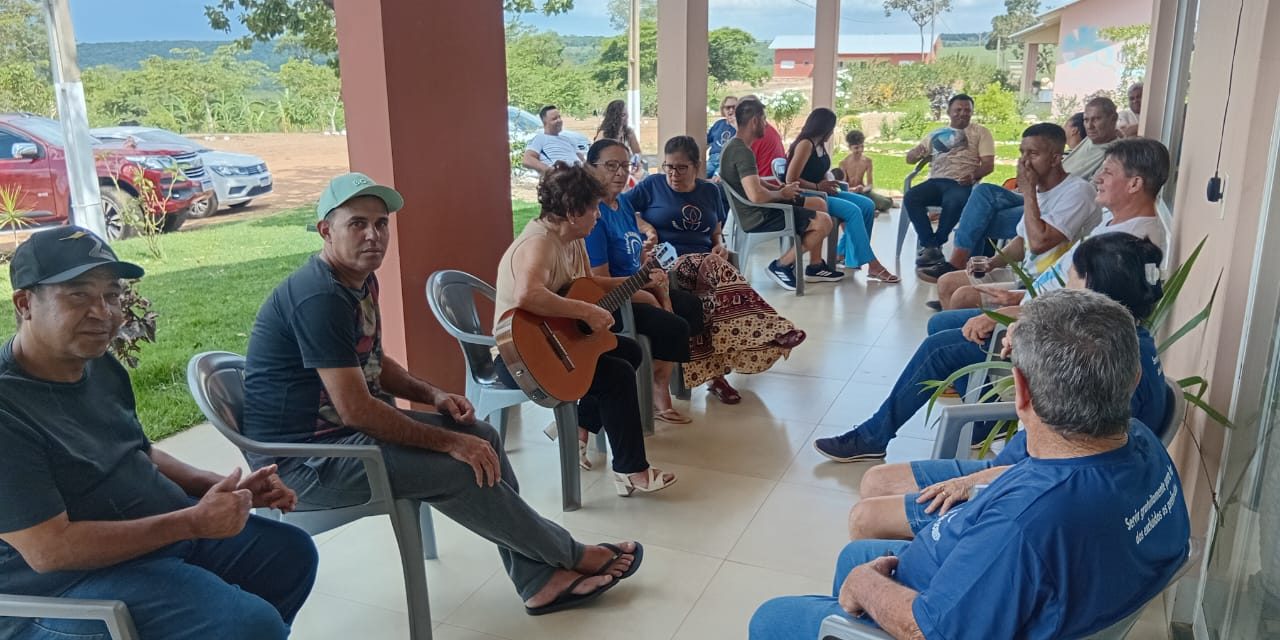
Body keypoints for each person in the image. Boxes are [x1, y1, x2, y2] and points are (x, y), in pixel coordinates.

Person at [243, 172, 648, 616]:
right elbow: (357, 410)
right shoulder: (317, 297)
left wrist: (433, 395)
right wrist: (451, 442)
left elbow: (375, 364)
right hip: (304, 463)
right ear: (326, 231)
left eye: (381, 224)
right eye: (357, 224)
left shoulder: (357, 282)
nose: (373, 235)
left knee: (484, 438)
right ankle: (569, 556)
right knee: (461, 464)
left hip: (339, 437)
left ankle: (539, 581)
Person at [751, 288, 1191, 640]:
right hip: (1002, 587)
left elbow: (930, 630)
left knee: (773, 617)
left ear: (1020, 392)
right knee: (857, 553)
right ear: (1131, 381)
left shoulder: (1024, 527)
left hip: (939, 607)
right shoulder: (1142, 441)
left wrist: (866, 586)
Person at [0, 226, 318, 639]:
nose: (102, 313)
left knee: (289, 555)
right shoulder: (8, 407)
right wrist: (191, 522)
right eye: (77, 294)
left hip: (151, 537)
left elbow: (139, 451)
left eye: (112, 295)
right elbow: (49, 549)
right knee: (248, 624)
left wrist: (215, 488)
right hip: (62, 587)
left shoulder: (97, 364)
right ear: (25, 303)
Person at [815, 137, 1172, 463]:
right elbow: (1068, 287)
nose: (1099, 178)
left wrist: (1008, 312)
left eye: (1108, 173)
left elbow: (1082, 314)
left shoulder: (1133, 243)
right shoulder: (1118, 223)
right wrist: (1014, 294)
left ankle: (875, 436)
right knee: (941, 323)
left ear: (1135, 183)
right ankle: (984, 419)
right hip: (1040, 307)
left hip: (1057, 339)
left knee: (939, 348)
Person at [848, 233, 1170, 542]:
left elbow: (1057, 472)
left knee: (866, 517)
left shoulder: (1102, 365)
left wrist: (970, 484)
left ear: (1092, 293)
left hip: (1018, 488)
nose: (1062, 289)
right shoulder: (1126, 347)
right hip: (1016, 469)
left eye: (1071, 279)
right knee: (875, 480)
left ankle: (916, 566)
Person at [492, 163, 678, 497]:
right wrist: (586, 311)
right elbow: (528, 294)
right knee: (616, 375)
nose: (598, 214)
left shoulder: (571, 238)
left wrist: (639, 280)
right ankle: (631, 470)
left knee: (628, 351)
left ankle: (579, 428)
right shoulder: (539, 243)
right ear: (573, 210)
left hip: (552, 343)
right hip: (519, 357)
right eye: (593, 208)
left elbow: (587, 286)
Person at [630, 136, 808, 405]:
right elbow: (624, 211)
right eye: (668, 167)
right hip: (670, 265)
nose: (673, 174)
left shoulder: (710, 191)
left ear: (696, 166)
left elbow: (716, 232)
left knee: (715, 303)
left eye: (681, 168)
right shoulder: (651, 186)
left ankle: (716, 377)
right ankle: (772, 328)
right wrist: (646, 228)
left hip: (706, 264)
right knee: (714, 268)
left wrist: (720, 245)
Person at [916, 124, 1102, 311]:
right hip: (1024, 274)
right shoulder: (1039, 190)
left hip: (1051, 284)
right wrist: (992, 263)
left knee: (963, 297)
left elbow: (1039, 244)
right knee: (946, 283)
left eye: (1033, 154)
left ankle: (985, 332)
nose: (1024, 162)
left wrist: (1028, 191)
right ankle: (963, 331)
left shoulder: (1078, 192)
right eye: (1022, 153)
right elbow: (1023, 241)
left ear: (1055, 159)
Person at [584, 138, 696, 423]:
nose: (620, 173)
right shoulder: (592, 216)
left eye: (625, 165)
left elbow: (635, 256)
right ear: (590, 168)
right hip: (612, 300)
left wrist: (649, 267)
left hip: (635, 283)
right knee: (672, 324)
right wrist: (648, 287)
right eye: (611, 166)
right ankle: (653, 386)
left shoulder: (621, 204)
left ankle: (660, 376)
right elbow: (600, 281)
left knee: (692, 306)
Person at [717, 98, 840, 291]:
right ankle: (781, 265)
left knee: (818, 203)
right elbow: (756, 196)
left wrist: (779, 189)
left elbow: (755, 183)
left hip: (758, 209)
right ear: (755, 121)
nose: (766, 124)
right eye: (764, 119)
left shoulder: (734, 146)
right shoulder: (742, 152)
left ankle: (815, 265)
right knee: (825, 222)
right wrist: (782, 194)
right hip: (760, 215)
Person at [786, 109, 898, 283]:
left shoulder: (820, 145)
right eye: (831, 128)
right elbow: (790, 179)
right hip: (808, 195)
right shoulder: (805, 144)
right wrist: (817, 186)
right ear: (824, 127)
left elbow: (819, 171)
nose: (832, 132)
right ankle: (873, 265)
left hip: (822, 191)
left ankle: (850, 257)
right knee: (853, 211)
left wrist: (828, 181)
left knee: (867, 205)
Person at [904, 94, 996, 268]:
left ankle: (934, 245)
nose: (962, 114)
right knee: (911, 197)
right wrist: (915, 154)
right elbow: (910, 159)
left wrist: (974, 175)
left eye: (967, 110)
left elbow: (988, 165)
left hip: (961, 182)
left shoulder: (980, 132)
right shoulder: (936, 134)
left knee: (954, 200)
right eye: (958, 110)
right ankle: (931, 245)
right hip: (936, 181)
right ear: (949, 112)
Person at [1061, 96, 1123, 180]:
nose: (1089, 126)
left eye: (1096, 119)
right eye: (1086, 120)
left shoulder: (1117, 153)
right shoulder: (1090, 139)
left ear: (1113, 119)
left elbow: (1093, 188)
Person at [838, 129, 893, 212]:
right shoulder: (843, 163)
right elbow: (843, 187)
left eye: (862, 147)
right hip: (850, 193)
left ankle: (873, 204)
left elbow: (870, 185)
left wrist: (863, 189)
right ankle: (869, 206)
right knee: (855, 204)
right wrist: (854, 189)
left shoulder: (867, 161)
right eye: (856, 148)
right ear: (850, 148)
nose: (860, 150)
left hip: (864, 192)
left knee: (887, 203)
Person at [522, 105, 584, 174]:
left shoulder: (568, 139)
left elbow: (582, 159)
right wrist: (550, 171)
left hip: (579, 176)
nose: (559, 121)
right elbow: (527, 160)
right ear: (545, 122)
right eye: (554, 119)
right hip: (559, 178)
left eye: (559, 117)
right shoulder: (540, 139)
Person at [739, 94, 788, 181]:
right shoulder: (769, 130)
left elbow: (739, 169)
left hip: (763, 184)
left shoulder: (755, 135)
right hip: (772, 182)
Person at [706, 95, 738, 178]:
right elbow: (706, 140)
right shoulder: (718, 124)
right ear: (723, 110)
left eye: (734, 107)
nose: (731, 110)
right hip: (713, 159)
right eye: (728, 107)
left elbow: (743, 140)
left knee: (715, 180)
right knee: (699, 176)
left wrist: (735, 125)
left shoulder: (741, 126)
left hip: (727, 161)